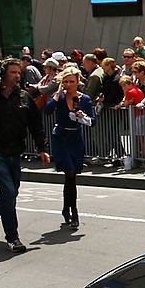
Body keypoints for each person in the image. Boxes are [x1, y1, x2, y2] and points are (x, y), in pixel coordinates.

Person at [0, 59, 51, 252]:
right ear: (2, 75)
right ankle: (13, 237)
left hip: (15, 152)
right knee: (8, 191)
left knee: (12, 192)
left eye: (19, 72)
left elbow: (35, 125)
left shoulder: (24, 96)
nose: (17, 75)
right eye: (12, 72)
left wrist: (43, 147)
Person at [44, 66, 95, 229]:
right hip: (60, 137)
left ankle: (67, 208)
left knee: (72, 177)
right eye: (65, 81)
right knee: (69, 172)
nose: (68, 84)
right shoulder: (58, 97)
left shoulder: (84, 99)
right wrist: (58, 94)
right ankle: (74, 212)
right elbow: (48, 111)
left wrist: (83, 116)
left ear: (78, 82)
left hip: (75, 138)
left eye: (71, 81)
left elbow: (93, 121)